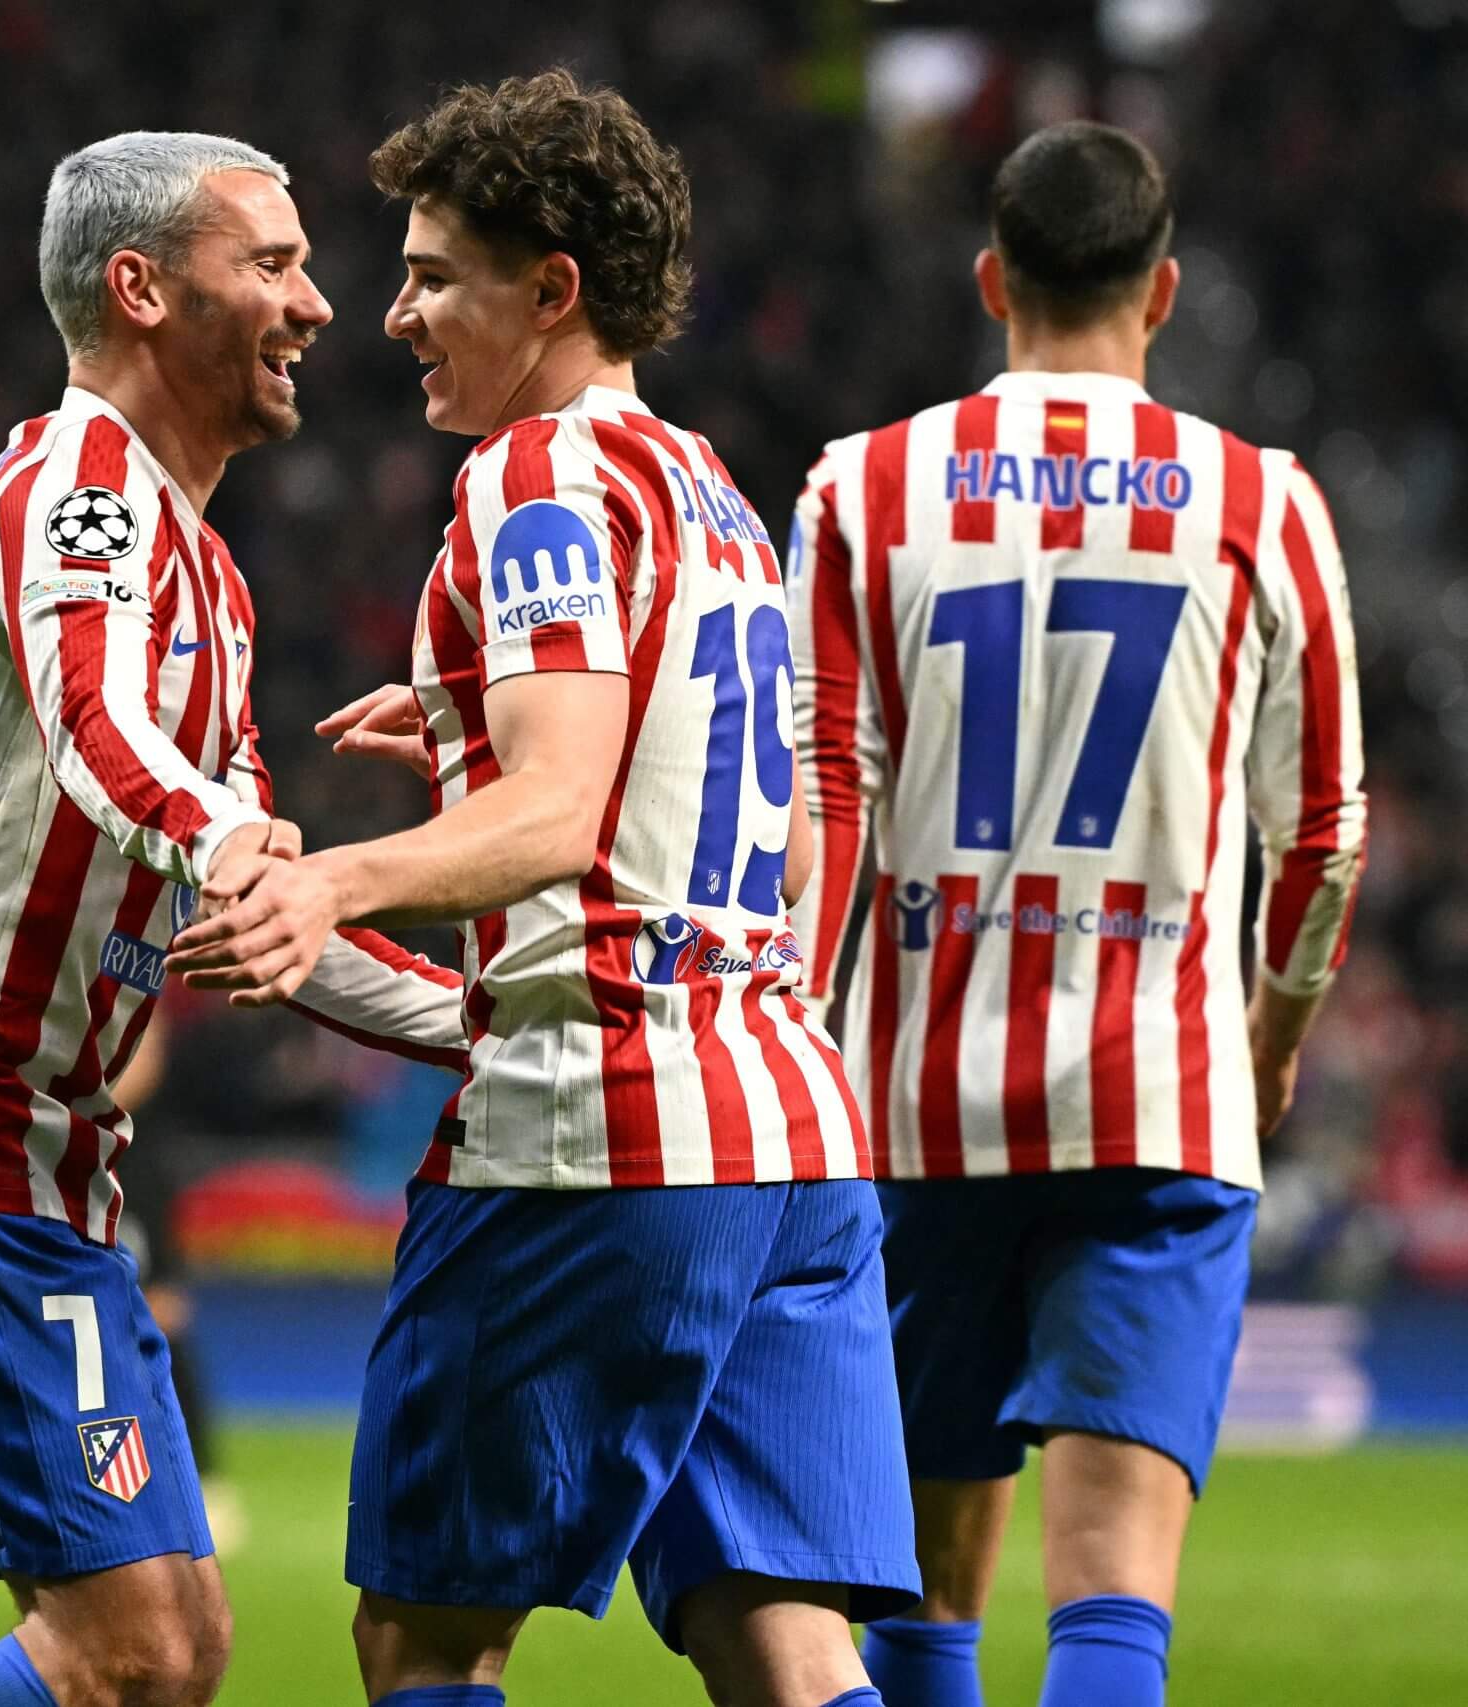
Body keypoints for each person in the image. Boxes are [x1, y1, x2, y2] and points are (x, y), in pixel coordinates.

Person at [171, 70, 914, 1707]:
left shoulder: (536, 479)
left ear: (553, 289)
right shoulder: (711, 494)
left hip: (605, 1127)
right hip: (790, 1131)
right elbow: (780, 833)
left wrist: (337, 882)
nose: (394, 315)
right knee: (783, 1640)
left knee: (425, 1634)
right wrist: (467, 720)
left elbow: (563, 809)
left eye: (436, 276)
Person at [0, 132, 466, 1707]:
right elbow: (99, 725)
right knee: (132, 1650)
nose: (318, 304)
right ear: (142, 289)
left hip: (46, 1177)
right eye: (272, 264)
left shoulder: (207, 575)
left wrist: (483, 1027)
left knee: (178, 1650)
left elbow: (269, 914)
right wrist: (225, 829)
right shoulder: (72, 492)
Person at [781, 123, 1368, 1707]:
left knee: (920, 1599)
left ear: (993, 281)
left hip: (917, 1110)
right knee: (1113, 1598)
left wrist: (799, 1036)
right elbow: (1321, 832)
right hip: (1161, 1101)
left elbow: (819, 792)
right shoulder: (1262, 501)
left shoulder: (861, 489)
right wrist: (1272, 1037)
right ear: (1162, 292)